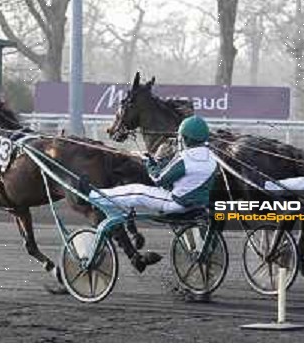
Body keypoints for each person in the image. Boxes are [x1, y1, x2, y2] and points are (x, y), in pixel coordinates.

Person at [83, 115, 218, 270]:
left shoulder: (185, 158)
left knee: (137, 191)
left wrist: (149, 163)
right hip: (198, 205)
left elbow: (158, 178)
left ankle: (93, 195)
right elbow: (192, 178)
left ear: (186, 139)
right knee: (141, 192)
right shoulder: (212, 158)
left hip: (176, 204)